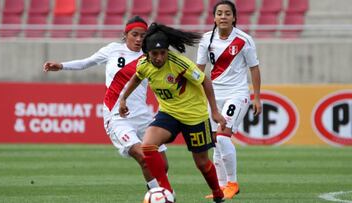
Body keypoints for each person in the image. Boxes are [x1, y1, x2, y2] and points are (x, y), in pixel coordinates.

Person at [43, 16, 169, 191]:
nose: (139, 39)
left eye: (142, 35)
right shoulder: (112, 50)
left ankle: (161, 192)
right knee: (143, 156)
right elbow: (87, 62)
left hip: (143, 115)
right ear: (126, 35)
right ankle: (159, 195)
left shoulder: (151, 56)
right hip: (117, 116)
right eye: (135, 34)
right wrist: (62, 66)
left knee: (162, 165)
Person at [119, 22, 227, 203]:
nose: (159, 57)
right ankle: (166, 192)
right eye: (155, 53)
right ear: (148, 53)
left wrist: (214, 112)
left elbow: (205, 81)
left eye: (163, 53)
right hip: (169, 113)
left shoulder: (179, 63)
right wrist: (123, 98)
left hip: (194, 116)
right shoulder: (144, 64)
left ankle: (217, 193)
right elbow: (136, 78)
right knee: (147, 145)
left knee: (201, 163)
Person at [196, 0, 262, 199]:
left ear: (234, 17)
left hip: (237, 94)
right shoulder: (206, 40)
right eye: (219, 13)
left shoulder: (244, 40)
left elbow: (254, 68)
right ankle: (222, 187)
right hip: (213, 96)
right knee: (216, 141)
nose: (223, 17)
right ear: (214, 17)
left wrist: (256, 97)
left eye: (227, 13)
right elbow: (198, 70)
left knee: (223, 136)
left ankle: (233, 182)